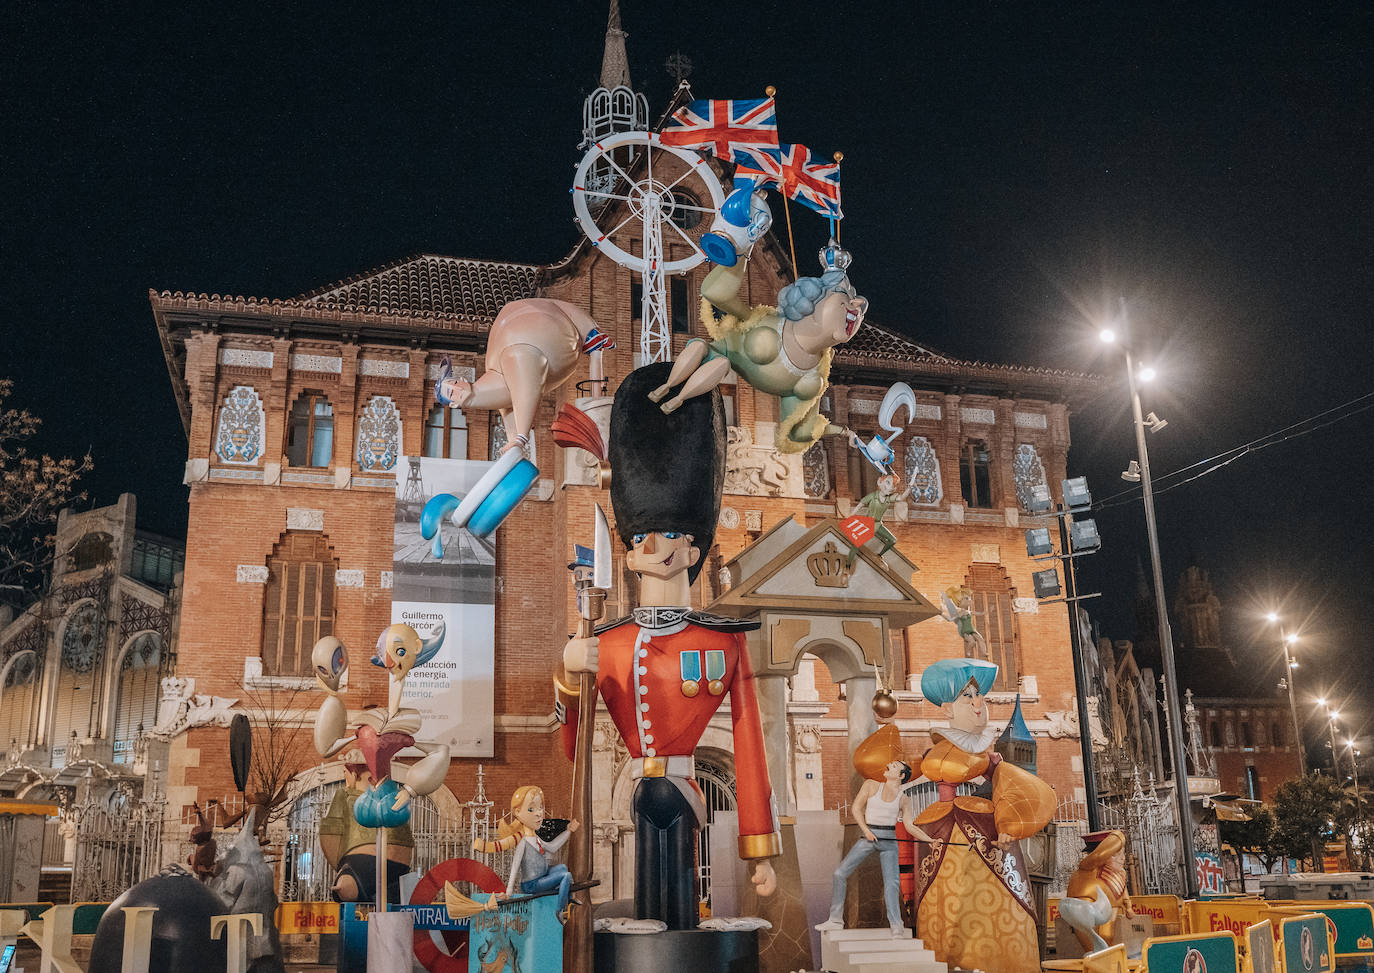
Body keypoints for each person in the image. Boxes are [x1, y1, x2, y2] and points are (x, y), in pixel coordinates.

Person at [558, 363, 779, 929]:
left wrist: (760, 846)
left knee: (679, 906)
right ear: (629, 550)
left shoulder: (720, 642)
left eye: (667, 534)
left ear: (693, 548)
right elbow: (572, 749)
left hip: (685, 791)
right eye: (638, 536)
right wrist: (567, 677)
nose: (650, 543)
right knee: (643, 905)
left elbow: (749, 742)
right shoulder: (610, 642)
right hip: (637, 793)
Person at [903, 658, 1055, 973]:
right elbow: (907, 771)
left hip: (978, 826)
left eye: (979, 696)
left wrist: (1008, 825)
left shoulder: (985, 753)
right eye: (967, 696)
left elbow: (1008, 785)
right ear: (947, 708)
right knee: (944, 903)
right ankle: (948, 959)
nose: (977, 704)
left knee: (989, 900)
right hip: (939, 830)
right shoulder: (937, 749)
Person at [646, 242, 867, 454]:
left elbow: (800, 432)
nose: (857, 305)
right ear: (814, 300)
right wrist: (743, 247)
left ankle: (677, 397)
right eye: (845, 296)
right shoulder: (765, 320)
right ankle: (668, 387)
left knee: (720, 364)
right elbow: (715, 294)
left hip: (718, 365)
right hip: (713, 353)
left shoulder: (815, 377)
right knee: (708, 354)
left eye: (857, 300)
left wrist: (844, 432)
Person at [815, 760, 915, 938]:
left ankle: (897, 926)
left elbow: (910, 826)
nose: (890, 764)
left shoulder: (904, 799)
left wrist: (931, 840)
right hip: (869, 837)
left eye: (895, 766)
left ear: (901, 776)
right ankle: (836, 920)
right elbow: (856, 808)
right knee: (839, 873)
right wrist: (866, 831)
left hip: (889, 840)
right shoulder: (870, 785)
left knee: (892, 884)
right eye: (890, 763)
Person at [474, 785, 579, 920]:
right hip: (532, 884)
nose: (539, 813)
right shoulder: (523, 842)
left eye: (540, 808)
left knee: (563, 868)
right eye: (531, 809)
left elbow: (553, 847)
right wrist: (508, 892)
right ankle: (559, 910)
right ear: (518, 812)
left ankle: (569, 899)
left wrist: (569, 830)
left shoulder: (537, 839)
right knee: (566, 875)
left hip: (542, 877)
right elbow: (515, 866)